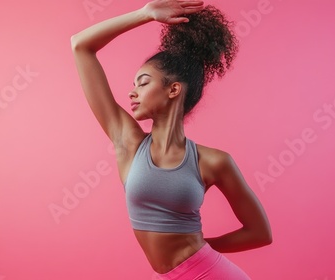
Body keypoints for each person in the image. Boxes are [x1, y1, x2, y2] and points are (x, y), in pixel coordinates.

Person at [71, 1, 272, 279]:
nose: (132, 92)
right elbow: (81, 46)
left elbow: (260, 233)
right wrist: (145, 14)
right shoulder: (129, 143)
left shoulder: (213, 161)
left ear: (173, 89)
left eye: (142, 83)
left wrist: (201, 250)